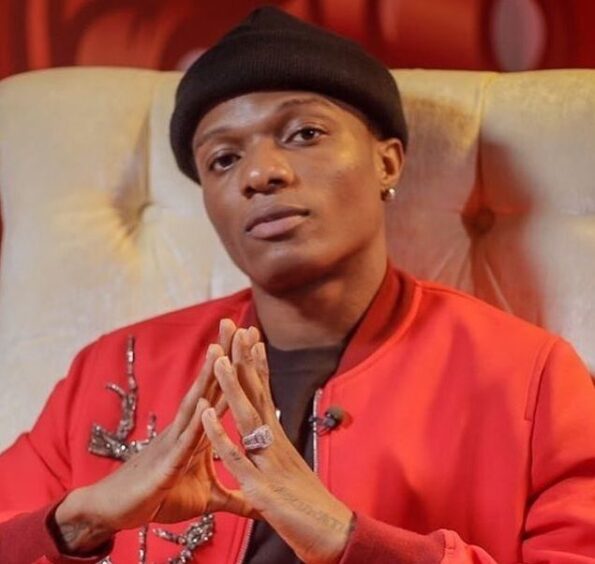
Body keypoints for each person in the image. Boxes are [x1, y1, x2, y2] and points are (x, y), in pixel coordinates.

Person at [1, 6, 595, 563]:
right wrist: (79, 521)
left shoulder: (530, 379)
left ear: (387, 162)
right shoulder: (110, 368)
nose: (260, 173)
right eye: (224, 159)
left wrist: (347, 539)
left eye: (304, 133)